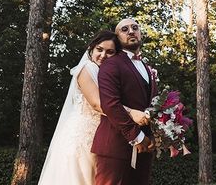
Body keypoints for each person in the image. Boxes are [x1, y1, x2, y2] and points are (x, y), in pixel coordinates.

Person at [38, 30, 149, 185]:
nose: (103, 55)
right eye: (99, 49)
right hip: (81, 137)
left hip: (102, 137)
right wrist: (132, 113)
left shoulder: (109, 72)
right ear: (92, 48)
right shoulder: (85, 68)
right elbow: (97, 103)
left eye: (110, 52)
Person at [92, 18, 158, 185]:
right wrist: (136, 135)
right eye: (124, 29)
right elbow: (110, 104)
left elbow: (154, 105)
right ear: (117, 37)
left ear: (140, 32)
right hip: (115, 146)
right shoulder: (111, 64)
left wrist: (155, 135)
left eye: (135, 27)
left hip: (146, 148)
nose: (131, 31)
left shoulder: (147, 67)